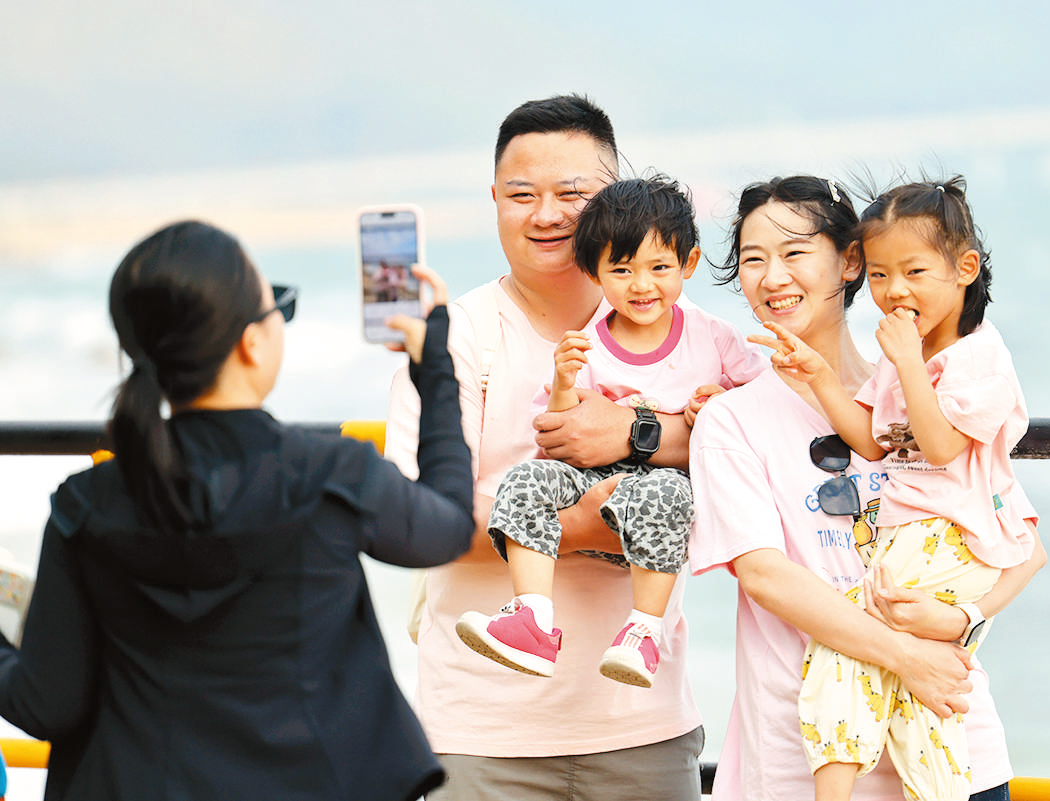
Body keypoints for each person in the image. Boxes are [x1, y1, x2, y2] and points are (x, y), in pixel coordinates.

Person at [0, 220, 474, 801]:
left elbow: (46, 705)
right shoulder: (331, 472)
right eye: (276, 307)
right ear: (251, 342)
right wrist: (436, 371)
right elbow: (449, 527)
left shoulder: (86, 503)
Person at [385, 96, 704, 800]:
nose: (547, 214)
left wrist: (636, 432)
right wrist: (589, 526)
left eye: (572, 194)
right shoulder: (455, 336)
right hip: (482, 735)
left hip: (642, 725)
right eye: (523, 194)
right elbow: (417, 521)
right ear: (495, 200)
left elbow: (750, 456)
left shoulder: (682, 330)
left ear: (614, 195)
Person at [688, 176, 1046, 801]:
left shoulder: (933, 391)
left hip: (956, 741)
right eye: (753, 259)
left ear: (850, 261)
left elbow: (1020, 544)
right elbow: (766, 577)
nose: (773, 277)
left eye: (795, 252)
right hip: (806, 761)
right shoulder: (730, 418)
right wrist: (907, 656)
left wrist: (961, 618)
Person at [456, 176, 766, 687]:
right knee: (525, 480)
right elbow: (555, 436)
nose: (641, 285)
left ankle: (644, 632)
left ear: (688, 263)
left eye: (659, 268)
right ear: (594, 272)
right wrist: (563, 382)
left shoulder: (712, 337)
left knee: (668, 490)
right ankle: (532, 618)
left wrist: (720, 404)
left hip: (656, 507)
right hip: (590, 490)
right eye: (621, 270)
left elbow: (762, 403)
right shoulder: (588, 344)